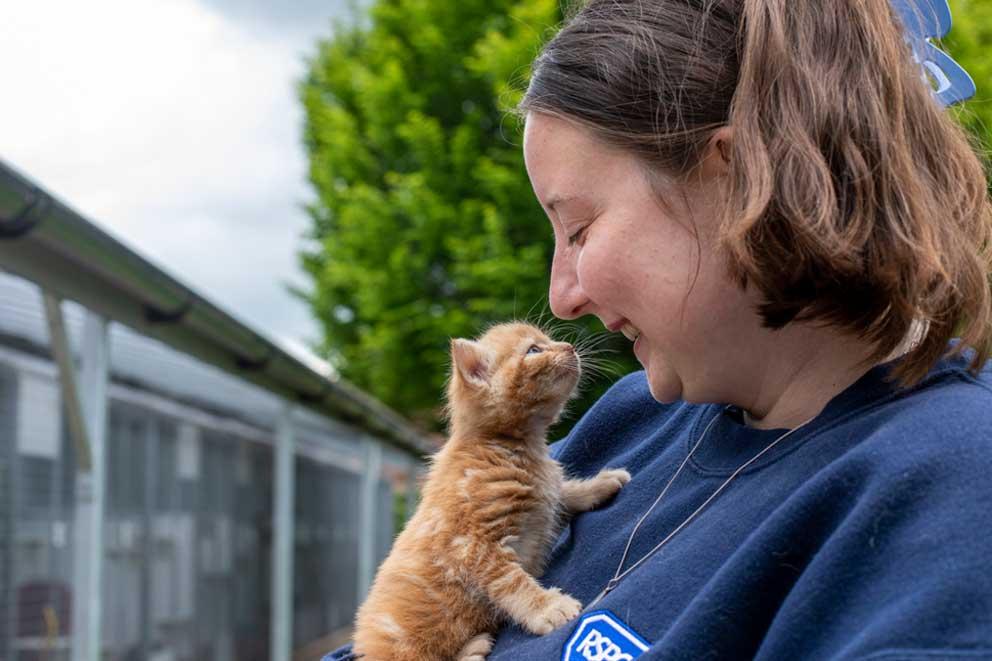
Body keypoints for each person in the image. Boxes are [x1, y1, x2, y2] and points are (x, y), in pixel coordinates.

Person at [326, 0, 992, 658]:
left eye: (579, 228)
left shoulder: (948, 491)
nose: (563, 297)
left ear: (734, 174)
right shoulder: (635, 417)